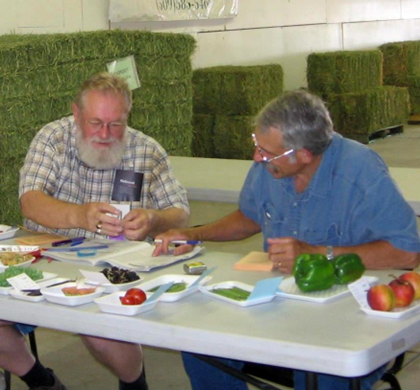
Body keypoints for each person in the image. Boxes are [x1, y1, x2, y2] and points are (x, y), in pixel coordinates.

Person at [153, 89, 420, 390]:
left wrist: (318, 253)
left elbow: (407, 252)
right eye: (257, 145)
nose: (257, 156)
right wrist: (193, 234)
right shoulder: (270, 166)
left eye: (266, 152)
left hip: (352, 312)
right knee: (199, 342)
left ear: (305, 154)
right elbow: (250, 216)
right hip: (279, 301)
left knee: (323, 373)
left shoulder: (361, 172)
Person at [0, 72, 189, 390]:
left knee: (97, 326)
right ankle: (41, 381)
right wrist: (79, 215)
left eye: (116, 124)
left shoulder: (147, 151)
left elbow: (180, 213)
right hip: (44, 257)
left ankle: (133, 383)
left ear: (127, 117)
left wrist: (154, 220)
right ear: (76, 114)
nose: (105, 133)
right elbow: (30, 202)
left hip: (113, 266)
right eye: (95, 123)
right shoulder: (53, 139)